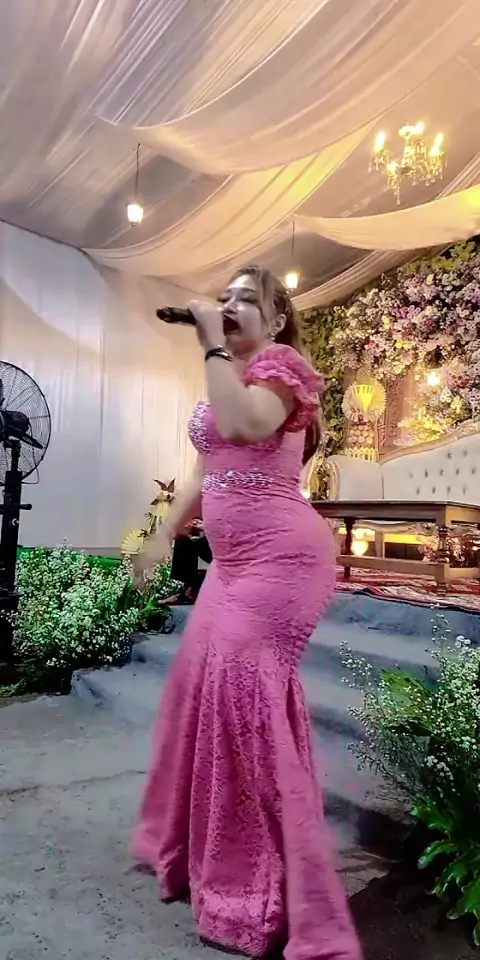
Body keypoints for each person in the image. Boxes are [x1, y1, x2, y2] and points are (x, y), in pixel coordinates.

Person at [133, 265, 362, 960]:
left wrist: (208, 338)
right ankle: (205, 858)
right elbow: (205, 469)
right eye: (222, 298)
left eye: (243, 300)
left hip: (283, 563)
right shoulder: (228, 375)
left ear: (277, 319)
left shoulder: (282, 367)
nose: (228, 306)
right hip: (229, 570)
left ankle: (258, 890)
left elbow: (243, 424)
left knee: (245, 709)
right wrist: (160, 535)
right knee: (202, 700)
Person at [169, 519, 212, 603]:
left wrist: (207, 527)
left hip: (233, 550)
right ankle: (186, 588)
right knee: (183, 537)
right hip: (218, 542)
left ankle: (191, 591)